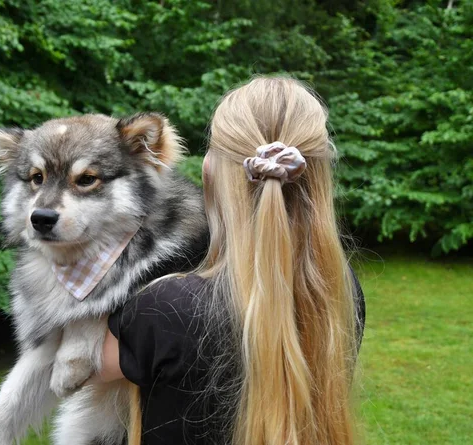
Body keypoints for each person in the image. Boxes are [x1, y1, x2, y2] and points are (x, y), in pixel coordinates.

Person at [97, 76, 366, 445]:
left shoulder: (164, 307)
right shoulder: (341, 289)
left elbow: (76, 369)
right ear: (318, 175)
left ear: (214, 170)